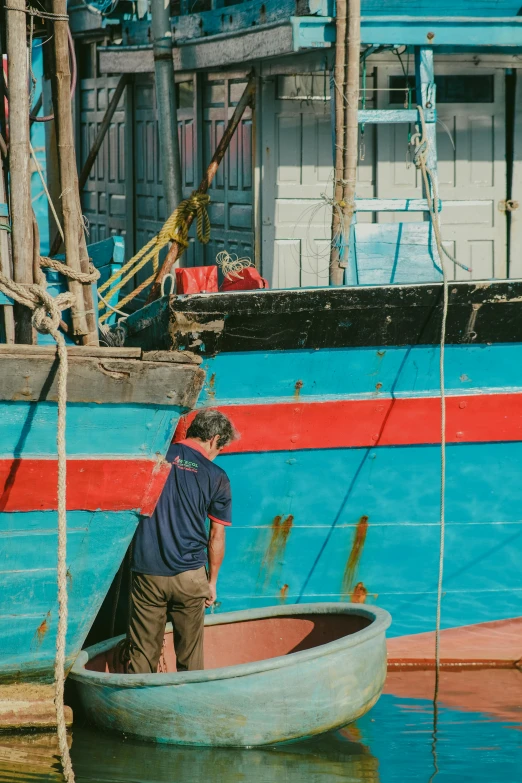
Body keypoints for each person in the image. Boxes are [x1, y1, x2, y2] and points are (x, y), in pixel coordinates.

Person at [126, 408, 237, 674]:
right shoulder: (217, 475)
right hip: (190, 575)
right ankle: (187, 706)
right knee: (190, 657)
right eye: (219, 449)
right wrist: (212, 583)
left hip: (147, 572)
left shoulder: (157, 458)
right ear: (214, 440)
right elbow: (216, 535)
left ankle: (139, 708)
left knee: (141, 656)